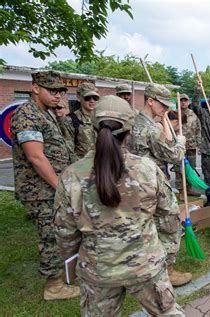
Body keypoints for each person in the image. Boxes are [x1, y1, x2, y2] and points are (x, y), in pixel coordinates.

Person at [54, 95, 184, 316]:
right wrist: (167, 254)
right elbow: (170, 217)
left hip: (98, 269)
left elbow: (64, 232)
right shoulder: (147, 169)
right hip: (146, 265)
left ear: (94, 128)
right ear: (130, 130)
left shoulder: (72, 175)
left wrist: (74, 260)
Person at [9, 70, 79, 300]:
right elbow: (36, 157)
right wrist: (59, 186)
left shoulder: (45, 113)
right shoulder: (27, 114)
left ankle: (63, 275)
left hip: (50, 187)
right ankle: (54, 286)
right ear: (36, 88)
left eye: (60, 91)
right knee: (50, 235)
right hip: (40, 190)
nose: (57, 96)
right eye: (52, 90)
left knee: (59, 231)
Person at [127, 84, 190, 286]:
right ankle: (168, 270)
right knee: (170, 222)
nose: (166, 109)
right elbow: (174, 156)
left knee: (147, 224)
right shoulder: (151, 128)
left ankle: (147, 264)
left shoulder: (134, 122)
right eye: (162, 105)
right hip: (152, 182)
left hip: (135, 183)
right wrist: (181, 141)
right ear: (150, 101)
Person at [61, 82, 100, 162]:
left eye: (95, 98)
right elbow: (69, 151)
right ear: (79, 98)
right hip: (82, 167)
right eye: (87, 98)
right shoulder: (70, 120)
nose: (92, 101)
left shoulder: (102, 118)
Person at [174, 93, 202, 199]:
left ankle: (189, 188)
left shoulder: (193, 114)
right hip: (178, 146)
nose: (183, 102)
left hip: (191, 146)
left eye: (185, 100)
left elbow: (198, 129)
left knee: (191, 168)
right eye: (181, 100)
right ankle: (181, 190)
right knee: (179, 168)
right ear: (178, 102)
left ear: (188, 102)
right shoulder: (174, 114)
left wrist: (198, 144)